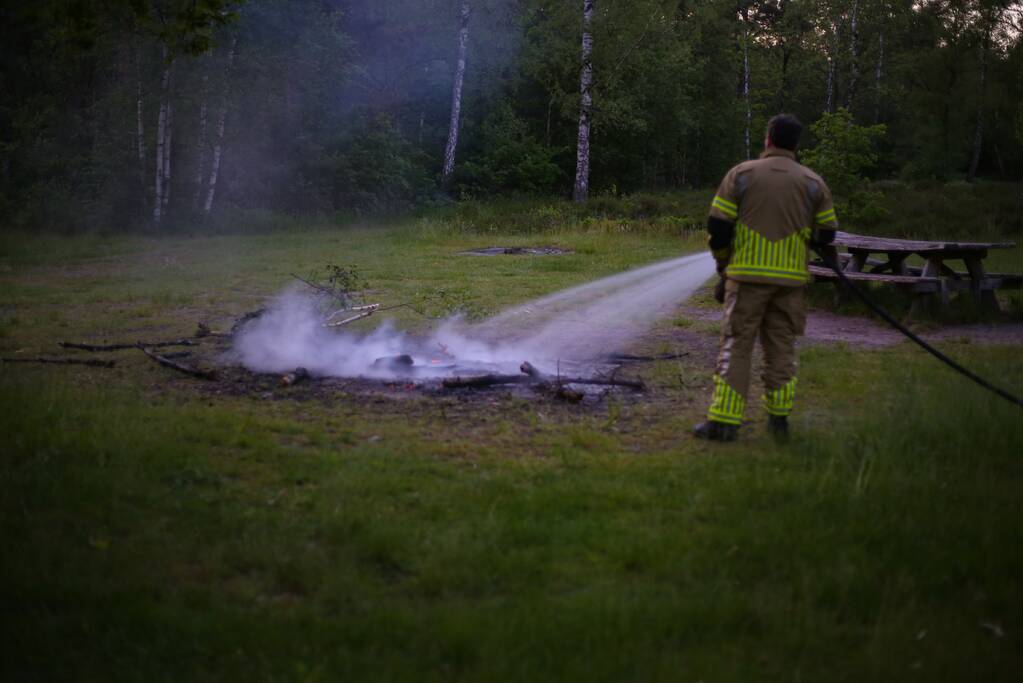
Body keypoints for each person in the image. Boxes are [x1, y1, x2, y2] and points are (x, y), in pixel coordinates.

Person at [693, 114, 838, 442]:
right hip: (790, 284)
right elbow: (827, 234)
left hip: (746, 279)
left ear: (768, 139)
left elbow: (718, 228)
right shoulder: (813, 182)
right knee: (782, 350)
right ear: (796, 145)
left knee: (737, 346)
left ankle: (725, 423)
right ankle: (779, 422)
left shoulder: (741, 175)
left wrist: (722, 266)